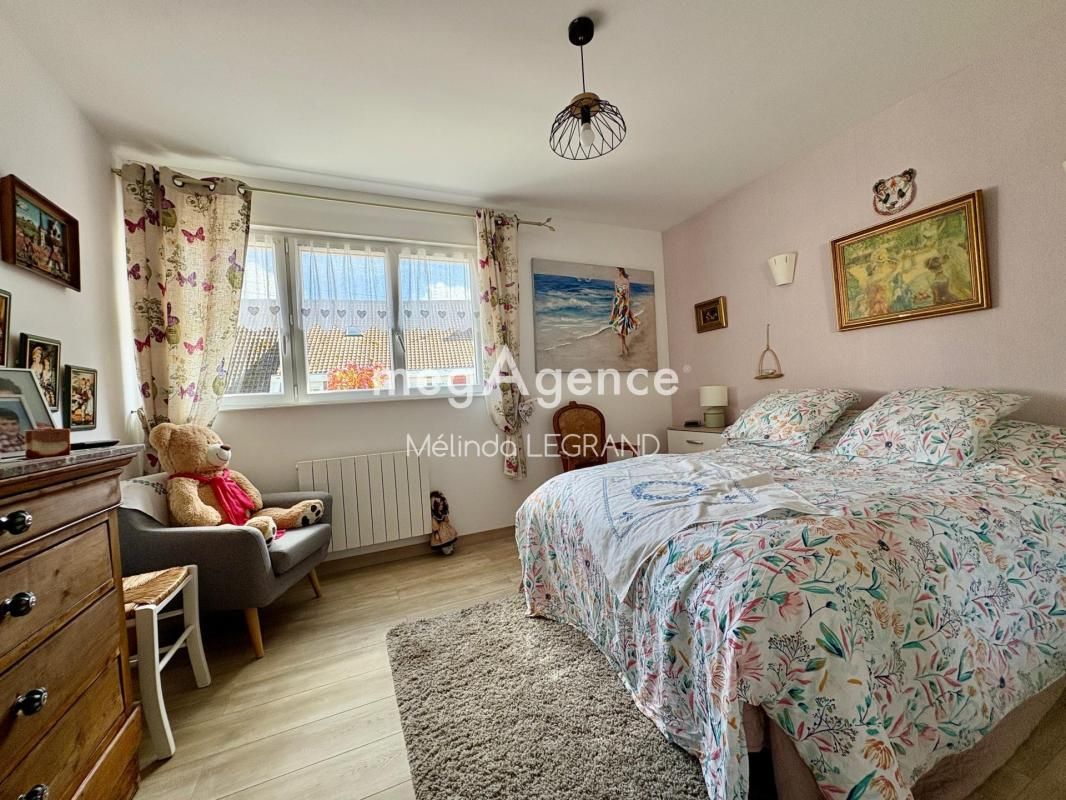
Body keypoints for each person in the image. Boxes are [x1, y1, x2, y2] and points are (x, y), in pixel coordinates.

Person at [609, 267, 640, 358]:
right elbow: (616, 294)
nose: (617, 272)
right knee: (617, 326)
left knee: (622, 327)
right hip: (617, 305)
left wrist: (628, 309)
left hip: (624, 305)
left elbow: (628, 295)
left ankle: (623, 350)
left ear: (621, 270)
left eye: (617, 270)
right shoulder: (615, 280)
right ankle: (625, 347)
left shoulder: (626, 281)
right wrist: (613, 308)